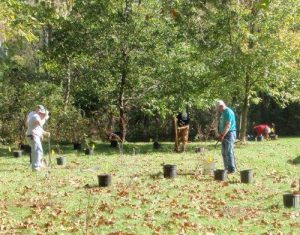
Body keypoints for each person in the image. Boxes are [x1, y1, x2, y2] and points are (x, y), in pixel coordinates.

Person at [26, 106, 50, 171]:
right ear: (40, 113)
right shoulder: (36, 116)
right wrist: (45, 118)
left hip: (34, 136)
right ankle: (36, 167)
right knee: (37, 151)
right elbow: (40, 124)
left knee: (39, 151)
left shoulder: (38, 117)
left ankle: (40, 165)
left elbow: (39, 129)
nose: (44, 116)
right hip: (32, 136)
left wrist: (45, 133)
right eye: (44, 114)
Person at [217, 100, 237, 173]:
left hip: (230, 134)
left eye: (219, 108)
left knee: (229, 152)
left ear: (222, 106)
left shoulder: (228, 112)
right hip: (224, 134)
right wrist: (220, 134)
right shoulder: (223, 113)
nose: (218, 110)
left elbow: (228, 125)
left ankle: (232, 169)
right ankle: (226, 168)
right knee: (224, 152)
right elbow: (222, 125)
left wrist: (222, 135)